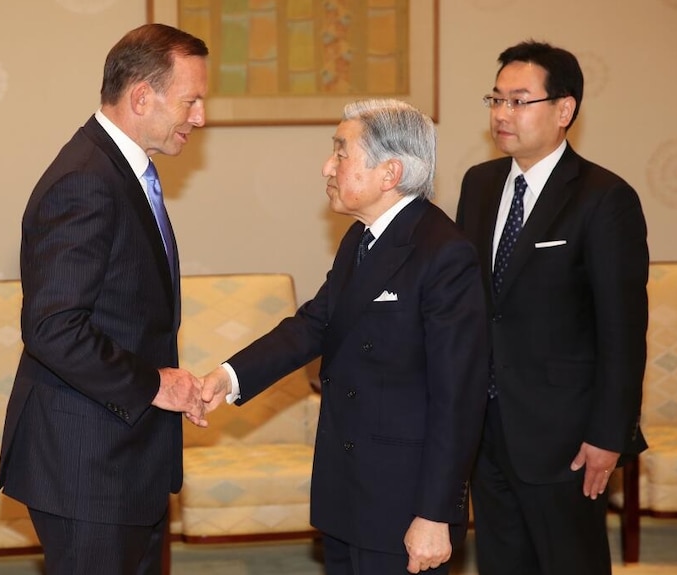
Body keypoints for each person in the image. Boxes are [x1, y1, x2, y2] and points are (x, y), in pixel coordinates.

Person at [202, 98, 489, 574]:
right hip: (348, 487)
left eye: (341, 153)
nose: (326, 167)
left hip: (402, 499)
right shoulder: (361, 237)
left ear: (389, 172)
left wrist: (437, 513)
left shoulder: (444, 253)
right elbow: (316, 323)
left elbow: (459, 398)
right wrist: (228, 377)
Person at [0, 23, 209, 575]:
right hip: (86, 464)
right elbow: (53, 328)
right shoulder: (86, 179)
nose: (200, 118)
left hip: (123, 455)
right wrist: (154, 383)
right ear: (142, 96)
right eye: (191, 101)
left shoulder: (122, 170)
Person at [455, 41, 649, 575]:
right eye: (496, 99)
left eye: (519, 101)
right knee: (501, 562)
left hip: (567, 438)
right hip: (487, 427)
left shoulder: (604, 198)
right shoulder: (479, 185)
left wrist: (610, 435)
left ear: (565, 110)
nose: (501, 114)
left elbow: (623, 331)